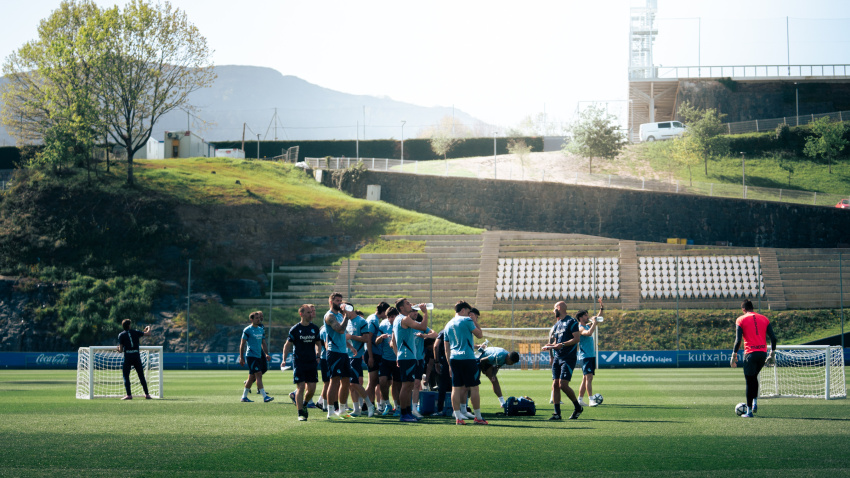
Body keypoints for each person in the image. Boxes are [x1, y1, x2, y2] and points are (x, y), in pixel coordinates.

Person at [443, 300, 488, 425]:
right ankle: (478, 417)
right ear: (463, 310)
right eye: (468, 312)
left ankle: (458, 417)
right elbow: (479, 335)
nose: (469, 314)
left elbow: (446, 348)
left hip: (454, 359)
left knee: (455, 388)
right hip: (467, 358)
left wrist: (449, 365)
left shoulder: (447, 324)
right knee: (474, 388)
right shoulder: (467, 320)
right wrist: (474, 320)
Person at [731, 299, 777, 418]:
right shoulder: (764, 318)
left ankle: (749, 411)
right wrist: (772, 353)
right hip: (762, 354)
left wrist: (734, 355)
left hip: (750, 354)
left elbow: (738, 340)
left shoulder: (740, 319)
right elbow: (773, 338)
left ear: (743, 309)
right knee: (754, 378)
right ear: (753, 308)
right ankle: (755, 403)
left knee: (749, 382)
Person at [391, 298, 430, 422]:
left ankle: (407, 412)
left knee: (409, 385)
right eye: (408, 304)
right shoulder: (405, 318)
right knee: (407, 385)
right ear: (402, 308)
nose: (410, 305)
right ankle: (404, 413)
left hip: (406, 356)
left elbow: (394, 341)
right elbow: (423, 327)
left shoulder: (399, 319)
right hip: (407, 356)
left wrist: (398, 355)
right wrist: (425, 313)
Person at [541, 301, 582, 420]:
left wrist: (562, 345)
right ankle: (557, 414)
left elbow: (576, 339)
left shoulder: (572, 322)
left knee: (563, 385)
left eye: (554, 308)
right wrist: (550, 346)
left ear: (559, 308)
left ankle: (577, 407)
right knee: (555, 384)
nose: (553, 311)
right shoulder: (557, 324)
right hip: (557, 357)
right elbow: (556, 342)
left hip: (568, 358)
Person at [283, 304, 322, 421]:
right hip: (299, 362)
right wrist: (284, 360)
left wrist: (318, 354)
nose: (311, 315)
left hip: (311, 362)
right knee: (300, 387)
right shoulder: (295, 329)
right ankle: (300, 413)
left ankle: (304, 404)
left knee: (312, 389)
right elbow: (287, 345)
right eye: (308, 312)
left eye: (311, 312)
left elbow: (318, 343)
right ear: (301, 314)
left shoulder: (314, 328)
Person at [324, 292, 354, 419]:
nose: (340, 303)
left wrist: (350, 346)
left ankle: (342, 410)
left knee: (346, 381)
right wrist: (346, 315)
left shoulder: (340, 316)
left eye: (341, 301)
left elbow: (341, 336)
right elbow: (340, 330)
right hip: (334, 352)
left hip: (343, 352)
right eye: (337, 301)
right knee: (334, 380)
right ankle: (331, 412)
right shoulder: (330, 316)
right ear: (331, 302)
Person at [345, 305, 375, 417]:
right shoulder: (346, 321)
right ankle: (356, 408)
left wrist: (351, 337)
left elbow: (366, 339)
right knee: (350, 384)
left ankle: (369, 405)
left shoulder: (361, 321)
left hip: (355, 356)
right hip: (345, 355)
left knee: (354, 382)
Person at [239, 311, 274, 403]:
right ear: (251, 319)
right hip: (251, 356)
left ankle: (244, 397)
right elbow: (242, 344)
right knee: (258, 374)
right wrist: (241, 357)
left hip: (258, 355)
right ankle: (264, 396)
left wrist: (266, 354)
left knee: (251, 378)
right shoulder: (247, 330)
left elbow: (264, 343)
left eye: (259, 318)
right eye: (256, 318)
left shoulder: (260, 329)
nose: (259, 319)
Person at [116, 319, 153, 400]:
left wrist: (118, 349)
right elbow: (148, 333)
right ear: (129, 325)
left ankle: (129, 395)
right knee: (141, 376)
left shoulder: (121, 335)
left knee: (126, 376)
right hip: (136, 356)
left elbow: (121, 350)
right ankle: (147, 394)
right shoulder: (135, 332)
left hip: (128, 356)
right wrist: (148, 327)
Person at [412, 312, 439, 418]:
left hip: (418, 359)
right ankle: (402, 407)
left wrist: (425, 335)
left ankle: (414, 408)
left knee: (416, 384)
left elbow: (435, 334)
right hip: (406, 358)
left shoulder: (420, 327)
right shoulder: (403, 324)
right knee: (406, 384)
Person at [577, 299, 603, 407]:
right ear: (581, 317)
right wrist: (594, 323)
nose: (588, 316)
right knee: (589, 378)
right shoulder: (581, 327)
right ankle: (591, 399)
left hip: (590, 355)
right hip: (585, 356)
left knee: (585, 378)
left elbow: (598, 317)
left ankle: (580, 399)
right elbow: (588, 333)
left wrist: (601, 308)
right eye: (586, 315)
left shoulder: (587, 324)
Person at [376, 307, 401, 415]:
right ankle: (387, 404)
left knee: (397, 384)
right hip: (385, 359)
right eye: (388, 317)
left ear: (397, 316)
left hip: (397, 359)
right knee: (382, 381)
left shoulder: (401, 324)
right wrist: (381, 337)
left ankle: (397, 406)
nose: (390, 319)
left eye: (392, 316)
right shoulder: (383, 325)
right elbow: (376, 342)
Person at [365, 302, 390, 408]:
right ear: (384, 311)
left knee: (375, 382)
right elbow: (368, 339)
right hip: (372, 354)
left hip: (375, 354)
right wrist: (370, 356)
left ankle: (370, 404)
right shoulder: (373, 320)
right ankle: (365, 405)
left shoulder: (374, 319)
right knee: (372, 382)